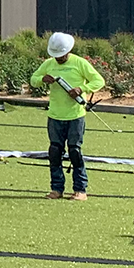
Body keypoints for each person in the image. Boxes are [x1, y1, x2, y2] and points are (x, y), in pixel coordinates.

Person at [30, 32, 104, 201]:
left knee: (75, 151)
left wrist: (81, 89)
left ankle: (80, 190)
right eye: (56, 55)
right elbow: (33, 79)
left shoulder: (80, 63)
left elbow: (99, 81)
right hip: (55, 115)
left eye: (61, 55)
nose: (59, 58)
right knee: (55, 151)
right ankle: (56, 189)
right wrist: (42, 79)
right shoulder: (48, 64)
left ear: (68, 51)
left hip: (75, 116)